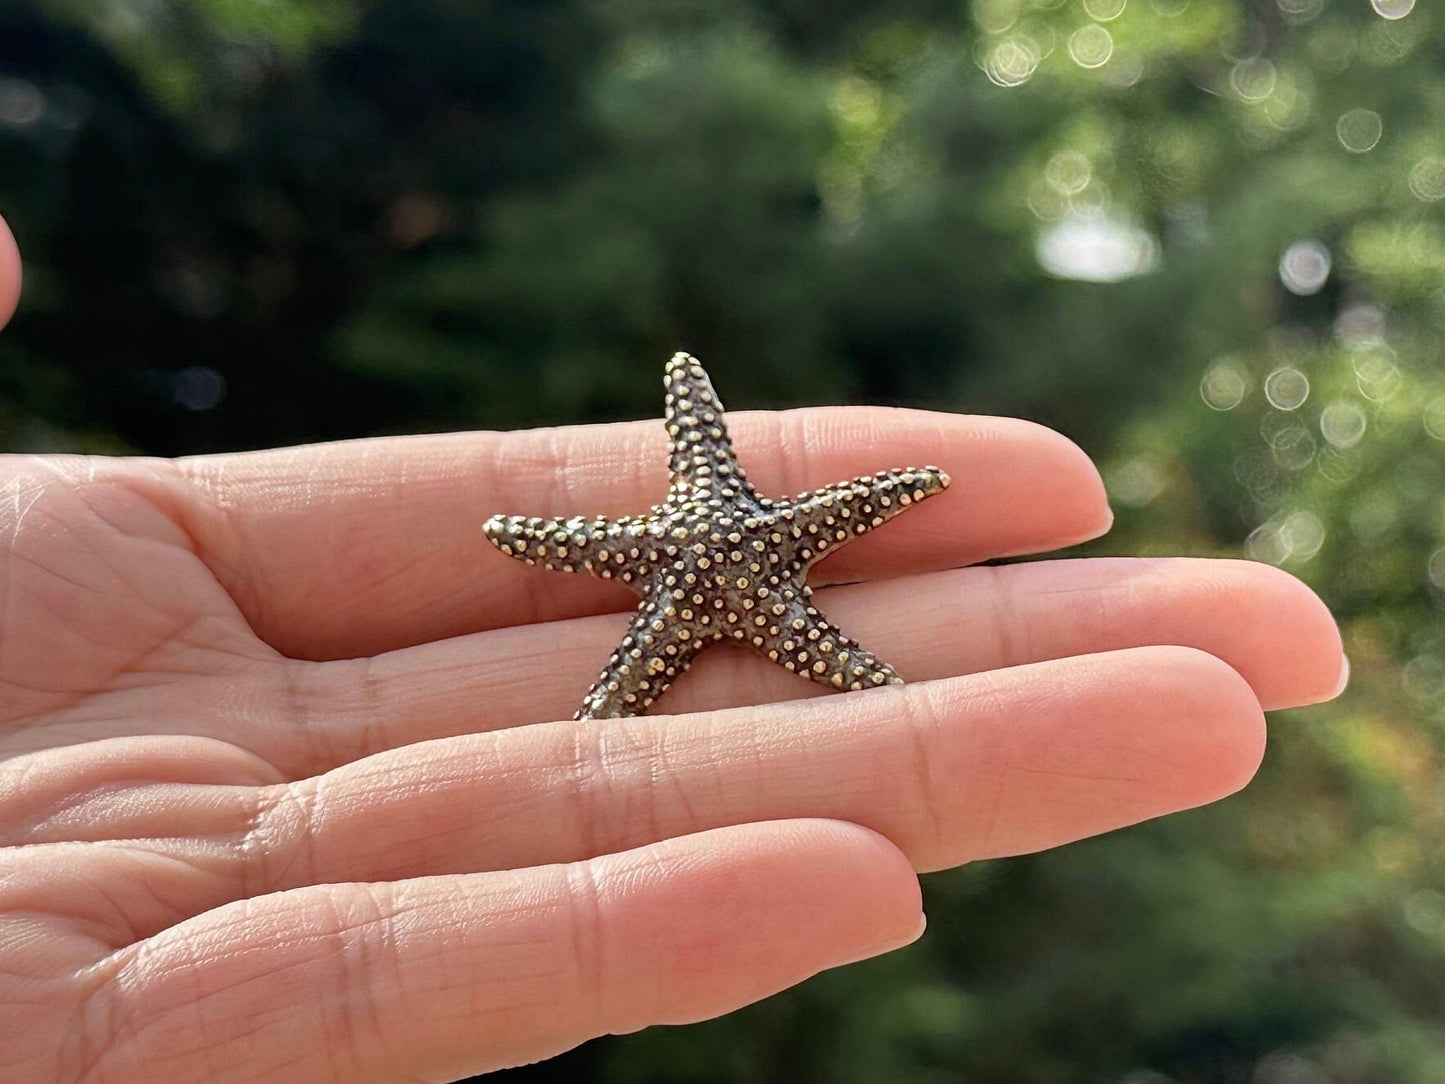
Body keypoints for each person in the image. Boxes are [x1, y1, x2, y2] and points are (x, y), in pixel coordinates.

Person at [0, 211, 1344, 1082]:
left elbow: (723, 535)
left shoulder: (716, 551)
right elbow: (625, 545)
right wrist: (836, 649)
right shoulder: (699, 553)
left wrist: (854, 603)